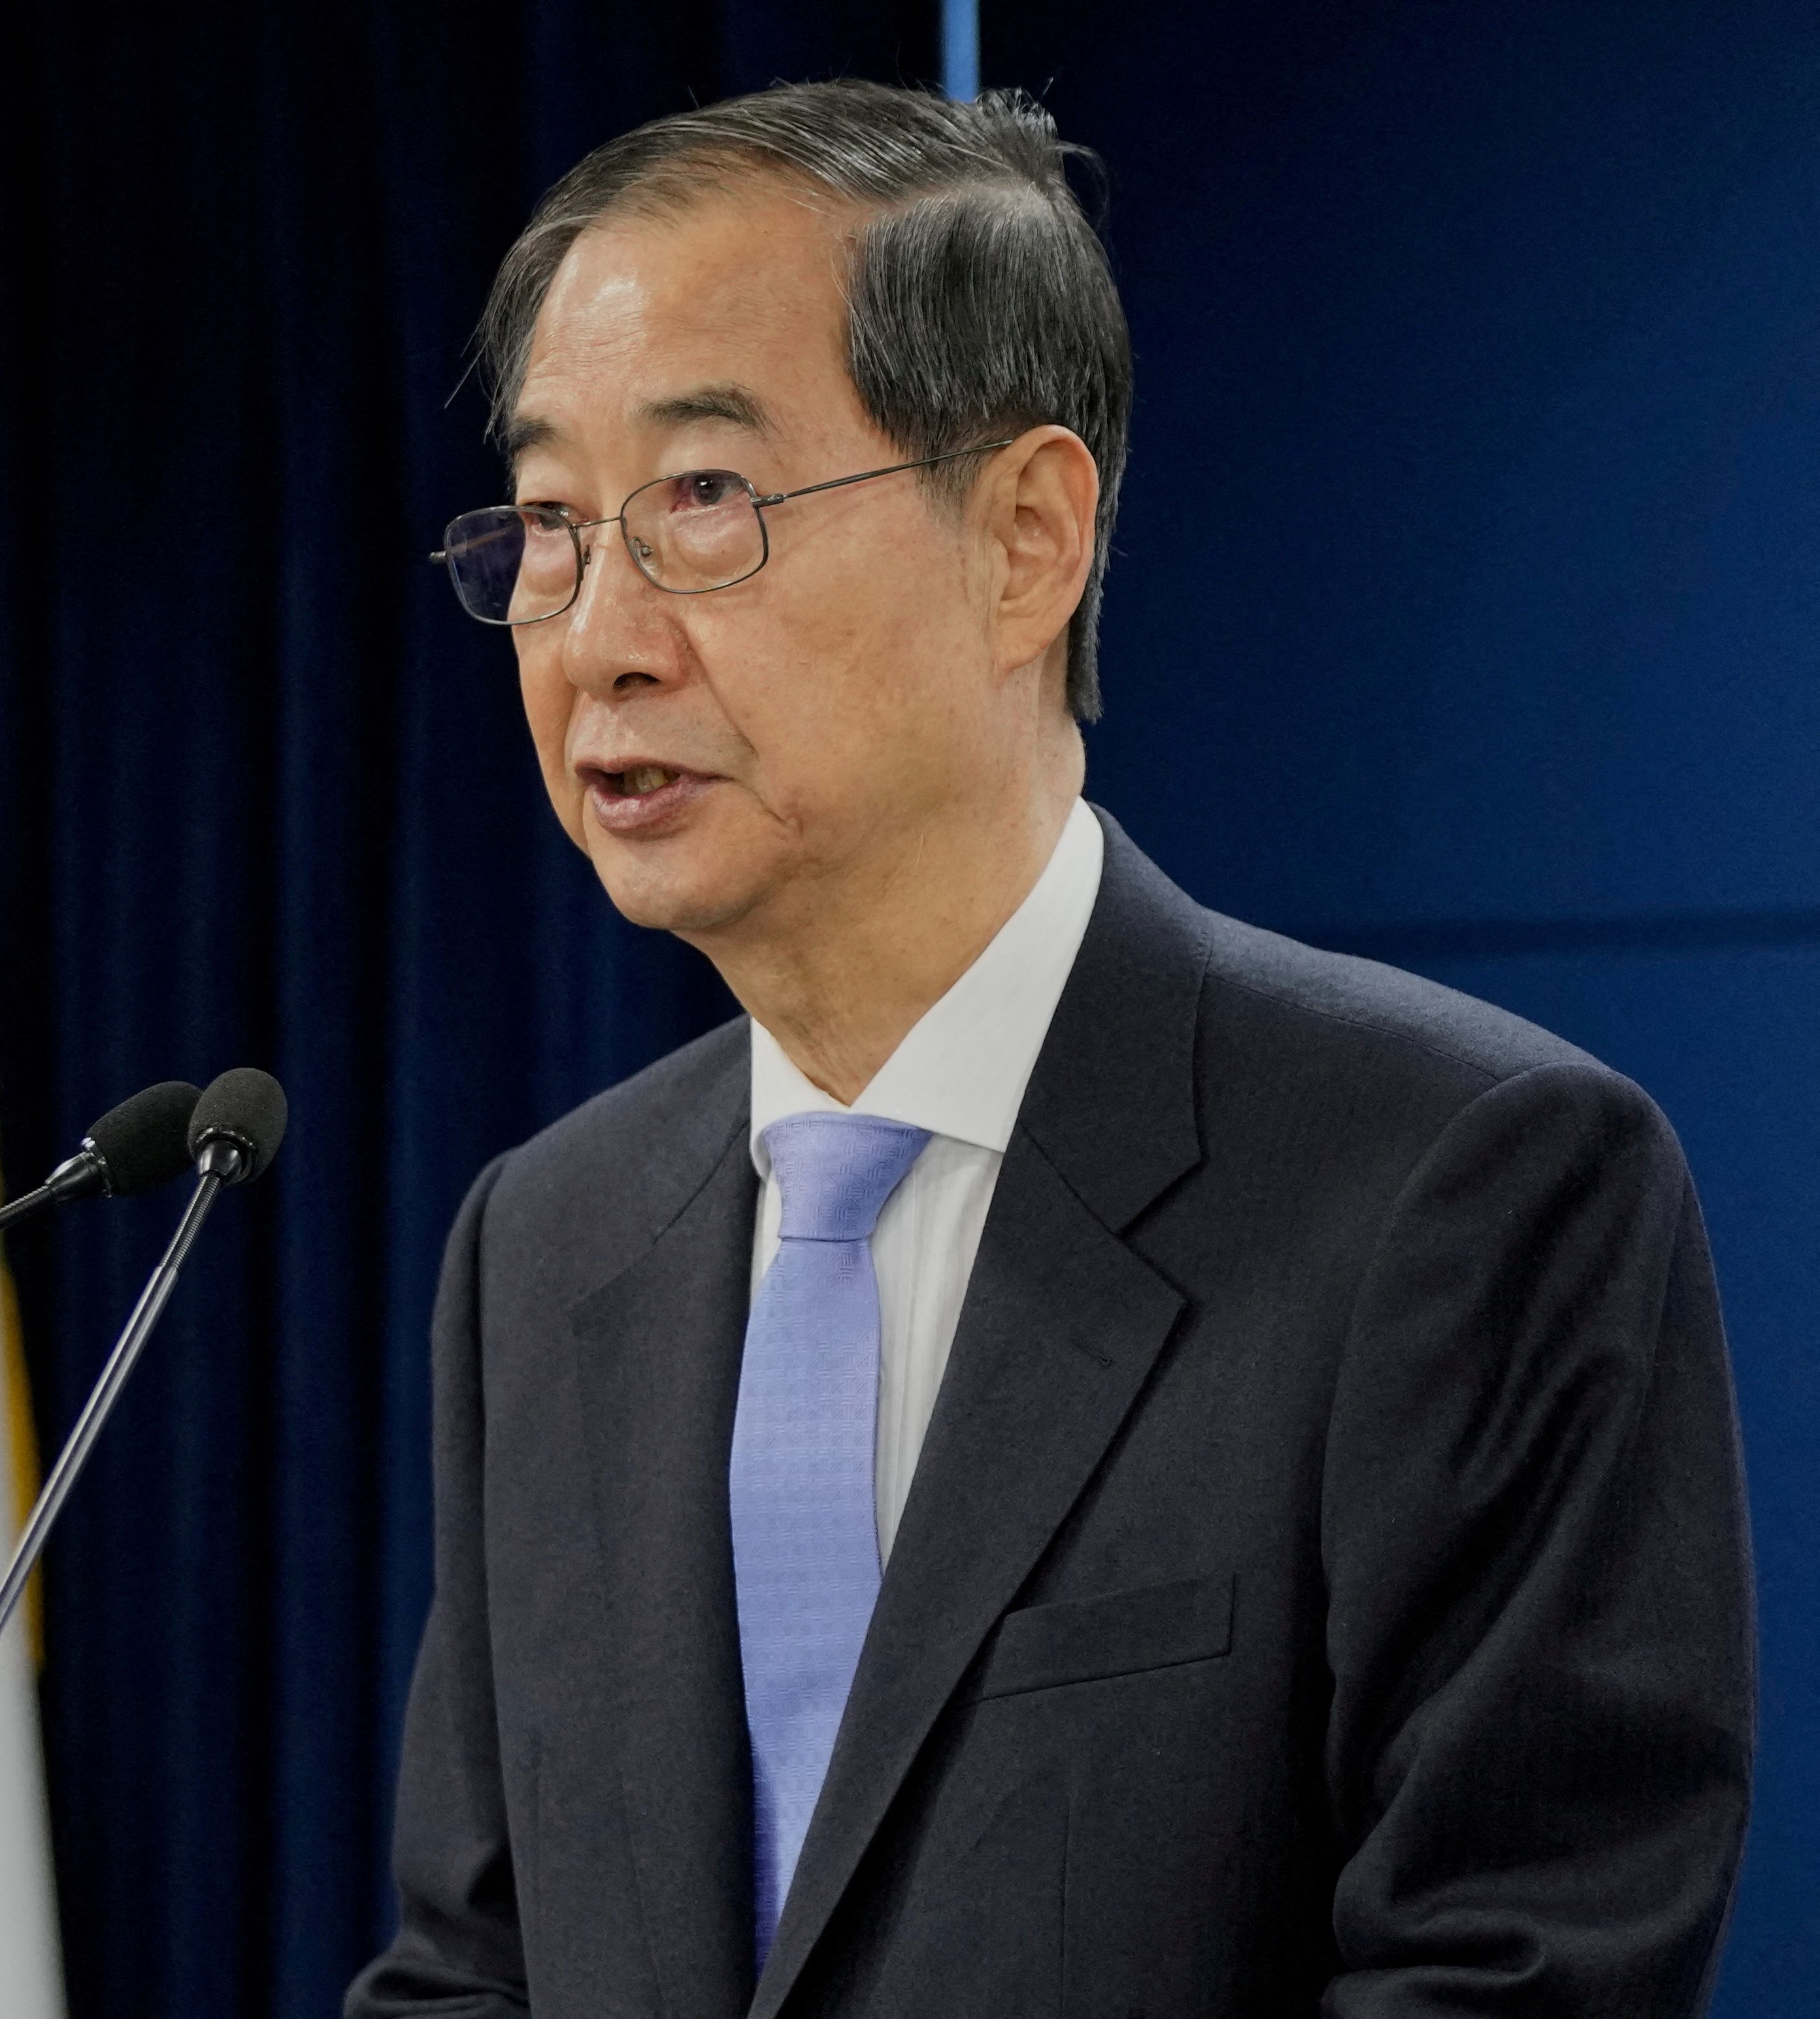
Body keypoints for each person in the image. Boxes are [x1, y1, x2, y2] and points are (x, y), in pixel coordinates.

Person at [349, 79, 1753, 2019]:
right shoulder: (548, 1240)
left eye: (698, 504)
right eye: (550, 525)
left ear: (1024, 537)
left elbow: (1515, 1970)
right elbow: (469, 1968)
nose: (593, 637)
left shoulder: (1464, 1186)